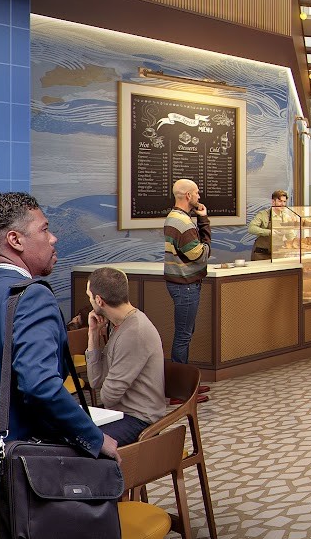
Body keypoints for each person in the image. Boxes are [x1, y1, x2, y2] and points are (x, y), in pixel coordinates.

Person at [0, 192, 118, 539]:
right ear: (15, 240)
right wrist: (95, 439)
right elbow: (39, 385)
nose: (54, 238)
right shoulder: (32, 296)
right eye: (45, 229)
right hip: (23, 494)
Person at [84, 266, 166, 446]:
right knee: (66, 434)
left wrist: (107, 382)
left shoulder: (134, 332)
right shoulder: (118, 325)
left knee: (82, 444)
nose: (89, 301)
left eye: (89, 296)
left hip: (139, 419)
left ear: (99, 300)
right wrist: (93, 334)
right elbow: (95, 381)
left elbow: (108, 397)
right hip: (118, 414)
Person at [164, 178, 211, 364]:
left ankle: (182, 377)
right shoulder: (183, 222)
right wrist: (204, 222)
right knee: (183, 336)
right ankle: (180, 380)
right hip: (186, 286)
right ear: (188, 195)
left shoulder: (174, 217)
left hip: (180, 284)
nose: (199, 196)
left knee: (185, 333)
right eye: (197, 192)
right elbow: (200, 255)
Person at [247, 189, 292, 260]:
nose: (283, 204)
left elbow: (290, 235)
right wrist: (269, 232)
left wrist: (294, 243)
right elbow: (251, 228)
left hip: (278, 253)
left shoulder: (286, 217)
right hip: (261, 254)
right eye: (280, 201)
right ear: (273, 202)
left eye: (284, 201)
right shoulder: (263, 214)